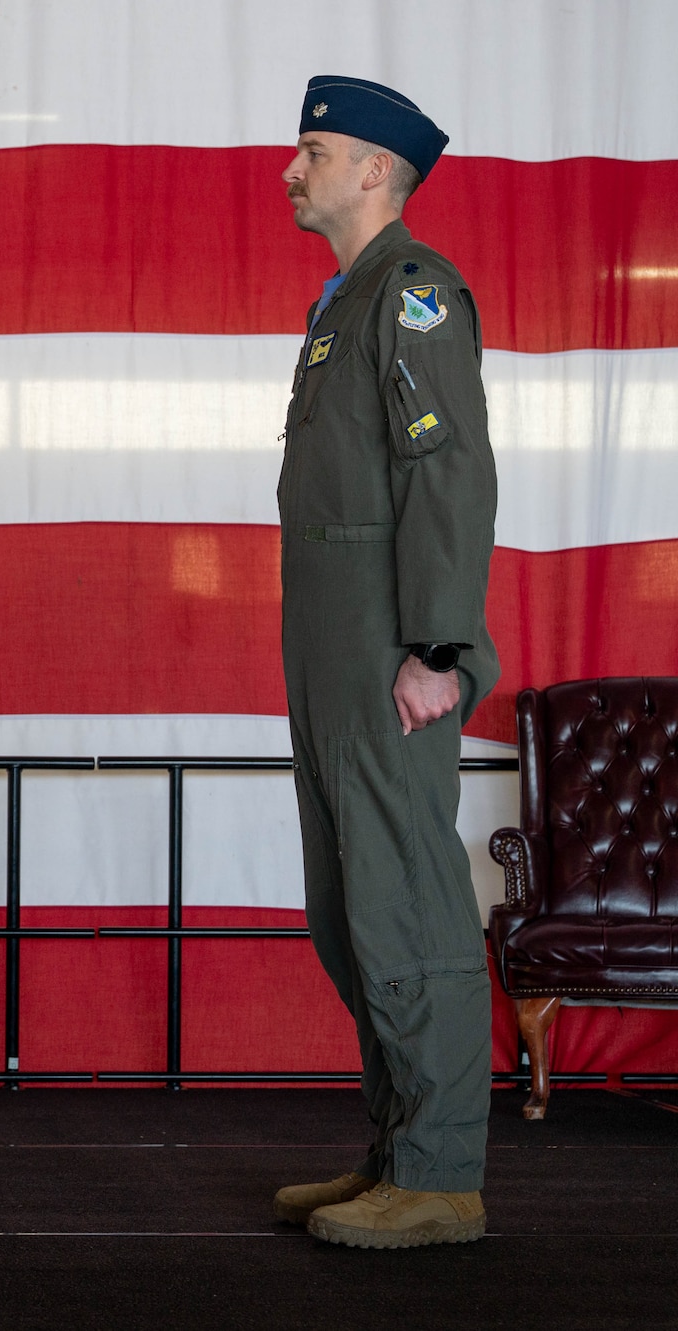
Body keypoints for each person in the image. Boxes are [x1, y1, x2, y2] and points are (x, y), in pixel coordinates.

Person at [269, 76, 499, 1249]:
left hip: (386, 644)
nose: (289, 169)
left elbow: (445, 472)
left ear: (372, 170)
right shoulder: (343, 301)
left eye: (312, 151)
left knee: (404, 901)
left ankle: (439, 1172)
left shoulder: (410, 290)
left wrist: (435, 646)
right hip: (330, 641)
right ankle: (395, 1145)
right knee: (350, 909)